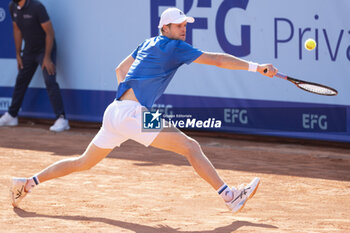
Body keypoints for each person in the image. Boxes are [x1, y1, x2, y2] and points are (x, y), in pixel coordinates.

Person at [10, 8, 278, 213]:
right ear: (166, 27)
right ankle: (230, 197)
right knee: (191, 147)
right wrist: (257, 67)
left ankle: (27, 183)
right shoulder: (174, 46)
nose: (185, 28)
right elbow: (217, 60)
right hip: (131, 115)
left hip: (114, 112)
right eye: (180, 25)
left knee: (83, 162)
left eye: (186, 25)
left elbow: (120, 70)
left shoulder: (148, 43)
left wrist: (129, 107)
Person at [0, 0, 69, 132]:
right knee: (21, 80)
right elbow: (17, 29)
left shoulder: (37, 7)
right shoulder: (12, 6)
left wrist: (47, 57)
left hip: (45, 49)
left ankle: (62, 119)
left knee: (50, 81)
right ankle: (12, 115)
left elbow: (50, 33)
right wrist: (18, 53)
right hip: (29, 51)